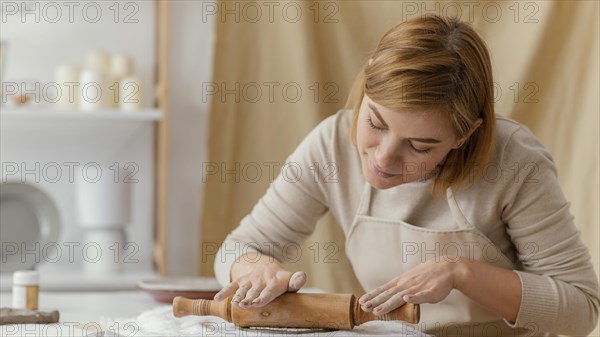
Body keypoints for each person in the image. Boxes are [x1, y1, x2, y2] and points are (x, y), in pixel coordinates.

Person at [212, 14, 599, 336]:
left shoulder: (515, 162)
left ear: (464, 135)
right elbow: (238, 247)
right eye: (375, 123)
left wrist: (461, 272)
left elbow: (582, 309)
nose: (384, 158)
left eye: (419, 146)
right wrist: (255, 269)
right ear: (365, 85)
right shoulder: (331, 145)